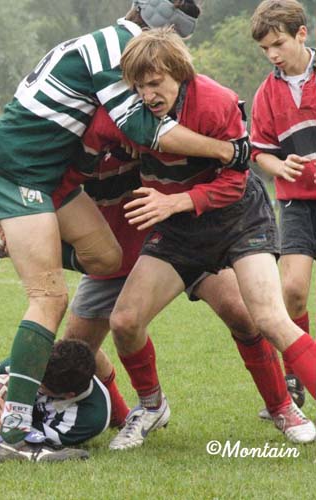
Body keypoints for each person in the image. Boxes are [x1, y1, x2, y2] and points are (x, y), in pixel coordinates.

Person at [0, 0, 252, 463]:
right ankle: (13, 436)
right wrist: (227, 151)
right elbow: (148, 130)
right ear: (157, 26)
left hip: (48, 174)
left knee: (106, 258)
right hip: (17, 169)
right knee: (50, 299)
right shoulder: (117, 46)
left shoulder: (105, 41)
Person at [105, 27, 316, 451]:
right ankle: (151, 406)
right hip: (178, 227)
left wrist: (176, 200)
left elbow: (235, 183)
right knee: (124, 321)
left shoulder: (216, 101)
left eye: (156, 83)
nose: (147, 95)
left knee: (267, 318)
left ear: (179, 73)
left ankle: (283, 408)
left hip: (238, 217)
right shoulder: (128, 112)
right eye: (139, 86)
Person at [250, 0, 315, 412]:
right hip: (295, 203)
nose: (272, 54)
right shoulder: (266, 94)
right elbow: (260, 153)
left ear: (301, 33)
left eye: (279, 44)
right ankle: (295, 378)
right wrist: (281, 166)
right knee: (291, 290)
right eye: (265, 49)